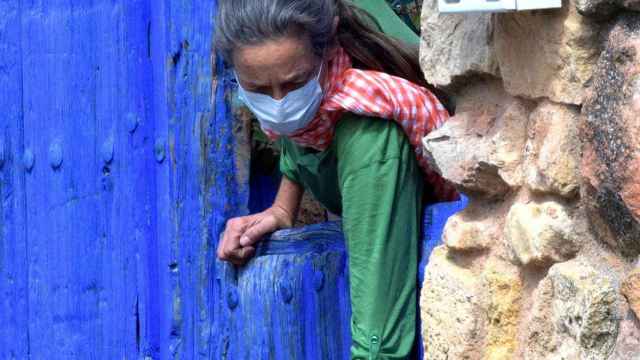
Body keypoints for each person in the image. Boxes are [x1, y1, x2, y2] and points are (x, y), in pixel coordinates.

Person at [215, 0, 456, 358]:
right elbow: (299, 137)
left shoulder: (368, 130)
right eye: (259, 90)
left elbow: (380, 335)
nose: (279, 103)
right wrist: (283, 208)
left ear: (327, 52)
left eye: (294, 84)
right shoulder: (318, 111)